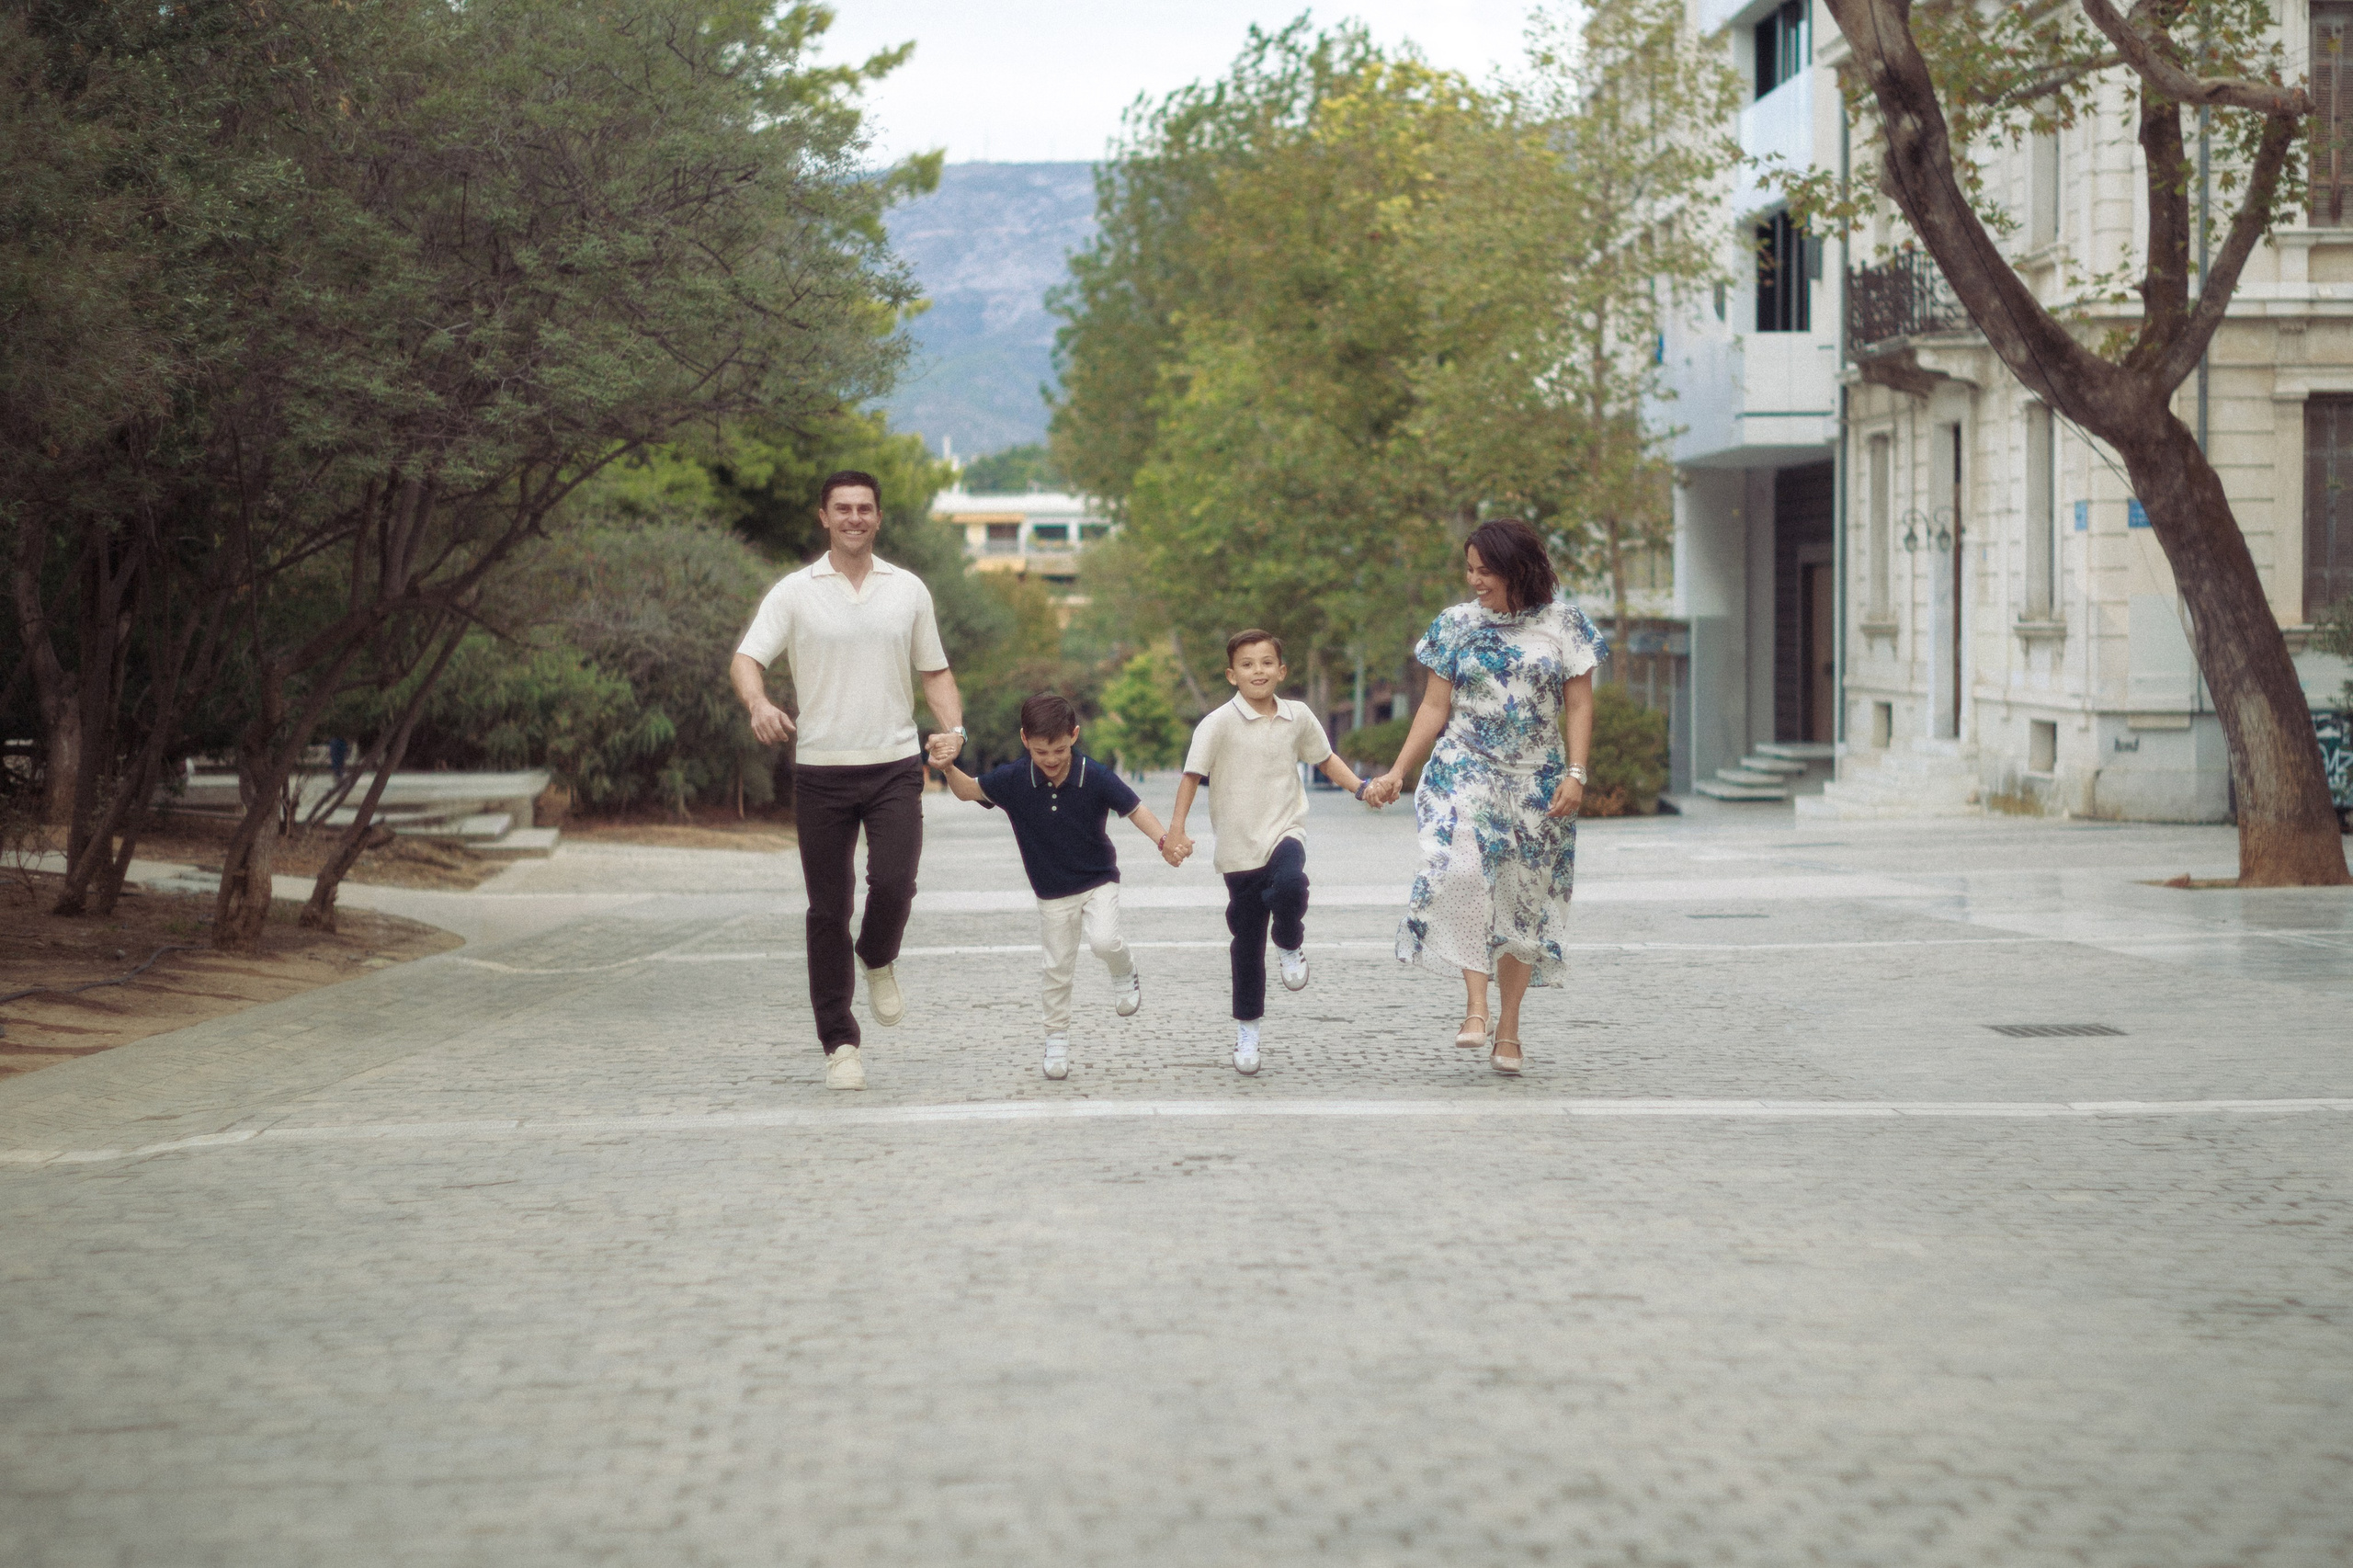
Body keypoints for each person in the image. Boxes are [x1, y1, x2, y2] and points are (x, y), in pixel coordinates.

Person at [729, 470, 969, 1092]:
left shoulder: (908, 590)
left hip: (893, 765)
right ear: (824, 517)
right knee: (827, 909)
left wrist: (954, 730)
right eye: (843, 509)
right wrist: (757, 704)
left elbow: (936, 672)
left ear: (878, 518)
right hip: (821, 772)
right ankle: (839, 1043)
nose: (854, 518)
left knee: (895, 881)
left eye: (865, 509)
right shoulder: (795, 592)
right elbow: (747, 658)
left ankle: (879, 954)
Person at [1363, 518, 1606, 1076]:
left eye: (1485, 570)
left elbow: (1579, 707)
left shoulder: (1565, 625)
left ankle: (1509, 1026)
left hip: (1538, 780)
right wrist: (1400, 770)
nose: (1474, 580)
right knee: (1464, 870)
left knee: (1522, 903)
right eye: (1469, 568)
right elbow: (1432, 707)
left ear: (1518, 568)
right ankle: (1475, 1005)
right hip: (1464, 765)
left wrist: (1577, 772)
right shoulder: (1455, 625)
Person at [938, 691, 1188, 1080]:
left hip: (1097, 879)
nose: (1051, 760)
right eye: (1040, 751)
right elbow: (968, 789)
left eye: (1058, 749)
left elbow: (1136, 809)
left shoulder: (1096, 775)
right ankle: (1056, 1039)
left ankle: (1124, 970)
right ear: (1025, 741)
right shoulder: (1013, 779)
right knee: (1056, 967)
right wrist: (947, 767)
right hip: (1051, 891)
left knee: (1104, 941)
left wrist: (1163, 842)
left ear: (1073, 735)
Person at [1165, 630, 1381, 1075]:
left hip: (1285, 830)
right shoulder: (1217, 724)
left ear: (1281, 671)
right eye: (1247, 664)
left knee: (1290, 883)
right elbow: (1191, 776)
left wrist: (1361, 789)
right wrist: (1176, 831)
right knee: (1245, 946)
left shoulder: (1297, 716)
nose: (1258, 671)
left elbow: (1325, 759)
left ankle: (1288, 939)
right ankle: (1248, 1032)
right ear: (1232, 675)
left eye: (1267, 663)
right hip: (1237, 850)